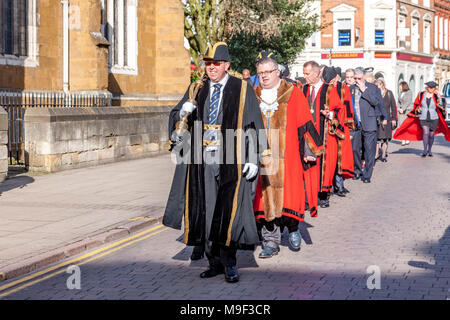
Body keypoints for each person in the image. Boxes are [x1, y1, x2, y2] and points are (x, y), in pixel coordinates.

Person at [163, 42, 266, 283]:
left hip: (232, 156)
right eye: (208, 64)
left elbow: (253, 124)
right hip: (202, 159)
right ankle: (213, 262)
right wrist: (182, 112)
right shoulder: (196, 88)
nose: (211, 68)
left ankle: (229, 264)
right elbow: (177, 120)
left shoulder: (242, 88)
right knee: (207, 210)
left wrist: (253, 158)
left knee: (228, 211)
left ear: (227, 65)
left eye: (216, 64)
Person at [252, 52, 324, 258]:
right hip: (263, 157)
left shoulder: (292, 93)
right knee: (265, 198)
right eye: (260, 73)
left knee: (290, 196)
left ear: (278, 72)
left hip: (289, 156)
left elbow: (305, 123)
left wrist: (310, 151)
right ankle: (270, 241)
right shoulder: (252, 94)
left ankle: (293, 229)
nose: (264, 76)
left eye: (268, 72)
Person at [302, 62, 345, 208]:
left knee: (324, 166)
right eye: (304, 74)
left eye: (307, 74)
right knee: (307, 164)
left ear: (316, 73)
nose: (305, 77)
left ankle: (323, 195)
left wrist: (330, 114)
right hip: (307, 134)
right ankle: (308, 198)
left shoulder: (329, 90)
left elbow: (340, 110)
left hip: (325, 134)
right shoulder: (303, 89)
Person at [350, 67, 388, 183]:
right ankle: (357, 170)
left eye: (359, 78)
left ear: (364, 77)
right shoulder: (350, 89)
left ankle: (367, 174)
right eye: (354, 78)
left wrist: (364, 90)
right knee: (355, 149)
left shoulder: (373, 88)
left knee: (369, 149)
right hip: (355, 123)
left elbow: (376, 102)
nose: (356, 80)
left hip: (369, 122)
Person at [394, 81, 450, 156]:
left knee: (431, 135)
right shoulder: (421, 94)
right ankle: (424, 150)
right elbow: (416, 104)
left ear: (434, 88)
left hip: (434, 118)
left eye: (432, 88)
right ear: (427, 87)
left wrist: (439, 98)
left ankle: (429, 150)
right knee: (426, 133)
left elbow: (442, 107)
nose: (430, 89)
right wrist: (418, 109)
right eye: (429, 87)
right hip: (423, 117)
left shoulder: (437, 96)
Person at [375, 78, 398, 162]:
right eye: (376, 85)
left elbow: (393, 107)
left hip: (387, 119)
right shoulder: (375, 94)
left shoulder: (389, 93)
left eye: (378, 85)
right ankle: (376, 154)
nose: (377, 87)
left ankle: (383, 155)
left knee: (385, 139)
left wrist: (394, 119)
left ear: (382, 85)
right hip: (377, 119)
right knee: (377, 139)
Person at [397, 81, 413, 146]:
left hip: (407, 111)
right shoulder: (400, 93)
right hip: (401, 111)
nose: (399, 87)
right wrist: (398, 108)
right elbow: (398, 101)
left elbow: (408, 102)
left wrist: (402, 109)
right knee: (401, 125)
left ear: (403, 86)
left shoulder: (409, 92)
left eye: (400, 86)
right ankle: (403, 140)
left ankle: (407, 139)